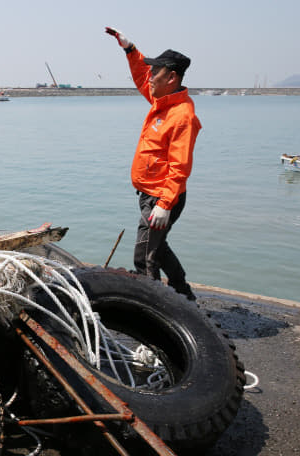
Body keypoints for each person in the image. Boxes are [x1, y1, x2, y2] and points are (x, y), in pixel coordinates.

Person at [105, 27, 202, 300]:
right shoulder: (162, 101)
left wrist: (164, 204)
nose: (149, 78)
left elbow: (180, 166)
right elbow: (140, 75)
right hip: (150, 195)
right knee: (157, 249)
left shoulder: (182, 115)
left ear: (171, 78)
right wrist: (129, 49)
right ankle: (183, 294)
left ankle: (156, 311)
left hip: (161, 198)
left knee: (145, 258)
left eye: (155, 73)